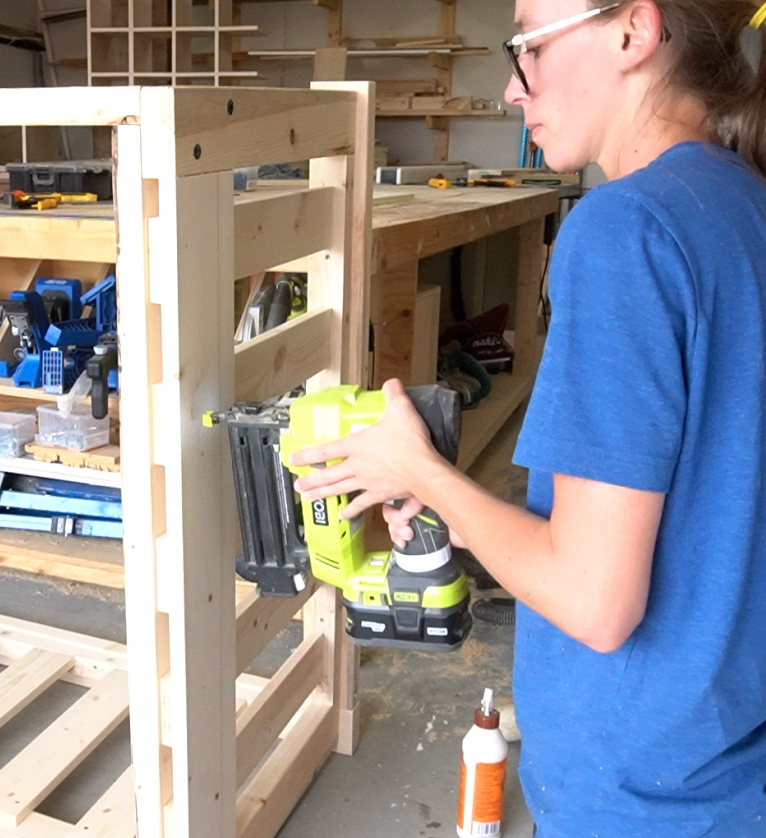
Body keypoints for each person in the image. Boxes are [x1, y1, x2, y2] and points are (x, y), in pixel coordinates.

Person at [290, 1, 766, 835]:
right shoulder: (742, 203)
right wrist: (465, 518)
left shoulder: (626, 231)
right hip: (728, 761)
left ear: (632, 32)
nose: (514, 89)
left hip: (638, 793)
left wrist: (422, 472)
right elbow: (710, 499)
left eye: (528, 47)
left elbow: (594, 599)